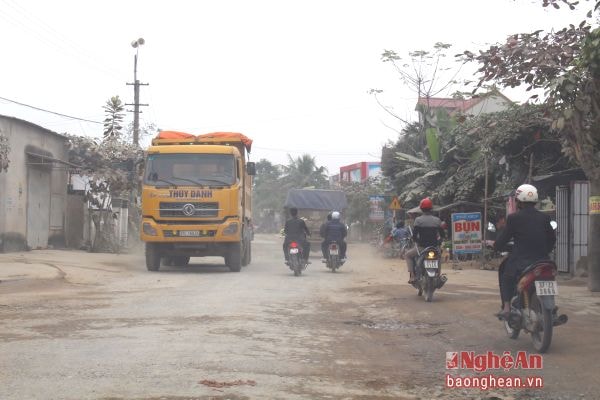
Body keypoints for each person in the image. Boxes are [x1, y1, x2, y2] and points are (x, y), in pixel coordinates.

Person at [493, 184, 556, 320]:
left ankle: (507, 307)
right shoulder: (544, 218)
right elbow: (552, 239)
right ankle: (552, 309)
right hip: (543, 260)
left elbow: (503, 239)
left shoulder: (514, 218)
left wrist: (496, 246)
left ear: (518, 200)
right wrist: (545, 251)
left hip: (522, 261)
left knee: (505, 275)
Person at [404, 198, 445, 284]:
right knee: (438, 258)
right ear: (431, 209)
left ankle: (412, 276)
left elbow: (414, 236)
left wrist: (415, 240)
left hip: (422, 247)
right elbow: (442, 235)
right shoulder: (437, 220)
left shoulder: (418, 220)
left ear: (421, 209)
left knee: (407, 255)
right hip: (434, 247)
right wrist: (439, 242)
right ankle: (438, 276)